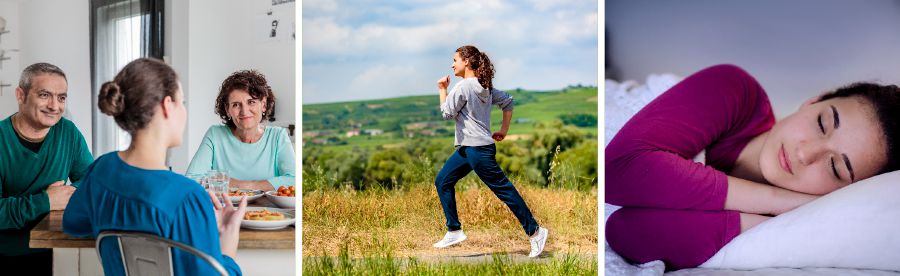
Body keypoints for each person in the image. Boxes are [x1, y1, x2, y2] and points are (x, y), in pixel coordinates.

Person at [605, 64, 900, 270]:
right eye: (822, 123)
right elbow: (615, 171)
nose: (804, 153)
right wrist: (778, 201)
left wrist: (769, 219)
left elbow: (625, 232)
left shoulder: (767, 231)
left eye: (835, 168)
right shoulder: (734, 89)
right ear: (814, 101)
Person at [62, 58, 247, 275]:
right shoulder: (187, 197)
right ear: (167, 106)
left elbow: (73, 224)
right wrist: (227, 247)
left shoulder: (101, 170)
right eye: (183, 103)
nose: (184, 112)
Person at [431, 45, 549, 258]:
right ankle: (454, 230)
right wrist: (504, 130)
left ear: (466, 61)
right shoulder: (484, 86)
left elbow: (447, 113)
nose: (452, 64)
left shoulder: (462, 87)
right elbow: (508, 102)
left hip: (477, 150)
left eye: (455, 60)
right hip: (469, 148)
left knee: (504, 190)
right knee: (443, 181)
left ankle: (536, 232)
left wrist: (441, 89)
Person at [0, 63, 93, 274]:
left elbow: (90, 178)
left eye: (61, 98)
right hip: (7, 255)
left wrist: (68, 194)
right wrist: (46, 201)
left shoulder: (68, 132)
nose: (54, 106)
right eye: (44, 95)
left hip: (54, 251)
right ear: (20, 95)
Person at [186, 70, 295, 191]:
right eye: (236, 105)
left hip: (269, 209)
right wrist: (264, 185)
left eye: (251, 102)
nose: (244, 111)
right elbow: (193, 179)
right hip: (224, 208)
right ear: (228, 109)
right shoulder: (215, 135)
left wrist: (243, 186)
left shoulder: (278, 136)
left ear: (263, 105)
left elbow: (294, 180)